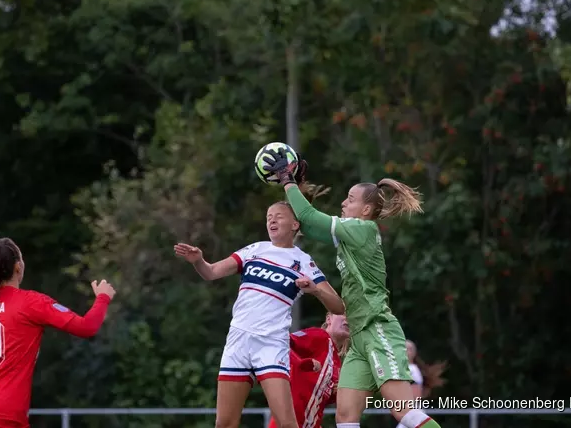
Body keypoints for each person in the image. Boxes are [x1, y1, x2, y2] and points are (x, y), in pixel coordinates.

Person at [262, 151, 442, 428]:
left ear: (366, 210)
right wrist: (293, 187)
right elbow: (305, 223)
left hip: (376, 327)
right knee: (346, 417)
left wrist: (287, 180)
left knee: (404, 413)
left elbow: (309, 215)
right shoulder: (348, 236)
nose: (343, 203)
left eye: (350, 199)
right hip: (359, 338)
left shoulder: (362, 229)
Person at [174, 201, 345, 428]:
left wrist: (314, 290)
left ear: (295, 224)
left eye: (279, 216)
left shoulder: (304, 262)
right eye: (268, 217)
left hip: (271, 344)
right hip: (239, 339)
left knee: (286, 423)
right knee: (224, 423)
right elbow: (211, 272)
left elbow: (338, 306)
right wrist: (199, 262)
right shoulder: (255, 250)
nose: (272, 220)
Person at [0, 237, 116, 428]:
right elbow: (87, 327)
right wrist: (103, 298)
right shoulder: (30, 303)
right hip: (3, 416)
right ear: (18, 267)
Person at [268, 312, 350, 428]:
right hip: (286, 423)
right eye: (342, 313)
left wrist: (337, 393)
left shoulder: (337, 364)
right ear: (328, 319)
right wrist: (300, 362)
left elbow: (319, 399)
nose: (348, 318)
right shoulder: (319, 336)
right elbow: (281, 342)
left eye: (351, 315)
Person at [396, 340, 447, 428]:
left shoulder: (412, 370)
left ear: (414, 353)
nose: (405, 351)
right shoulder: (406, 369)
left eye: (409, 349)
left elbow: (416, 393)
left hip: (412, 411)